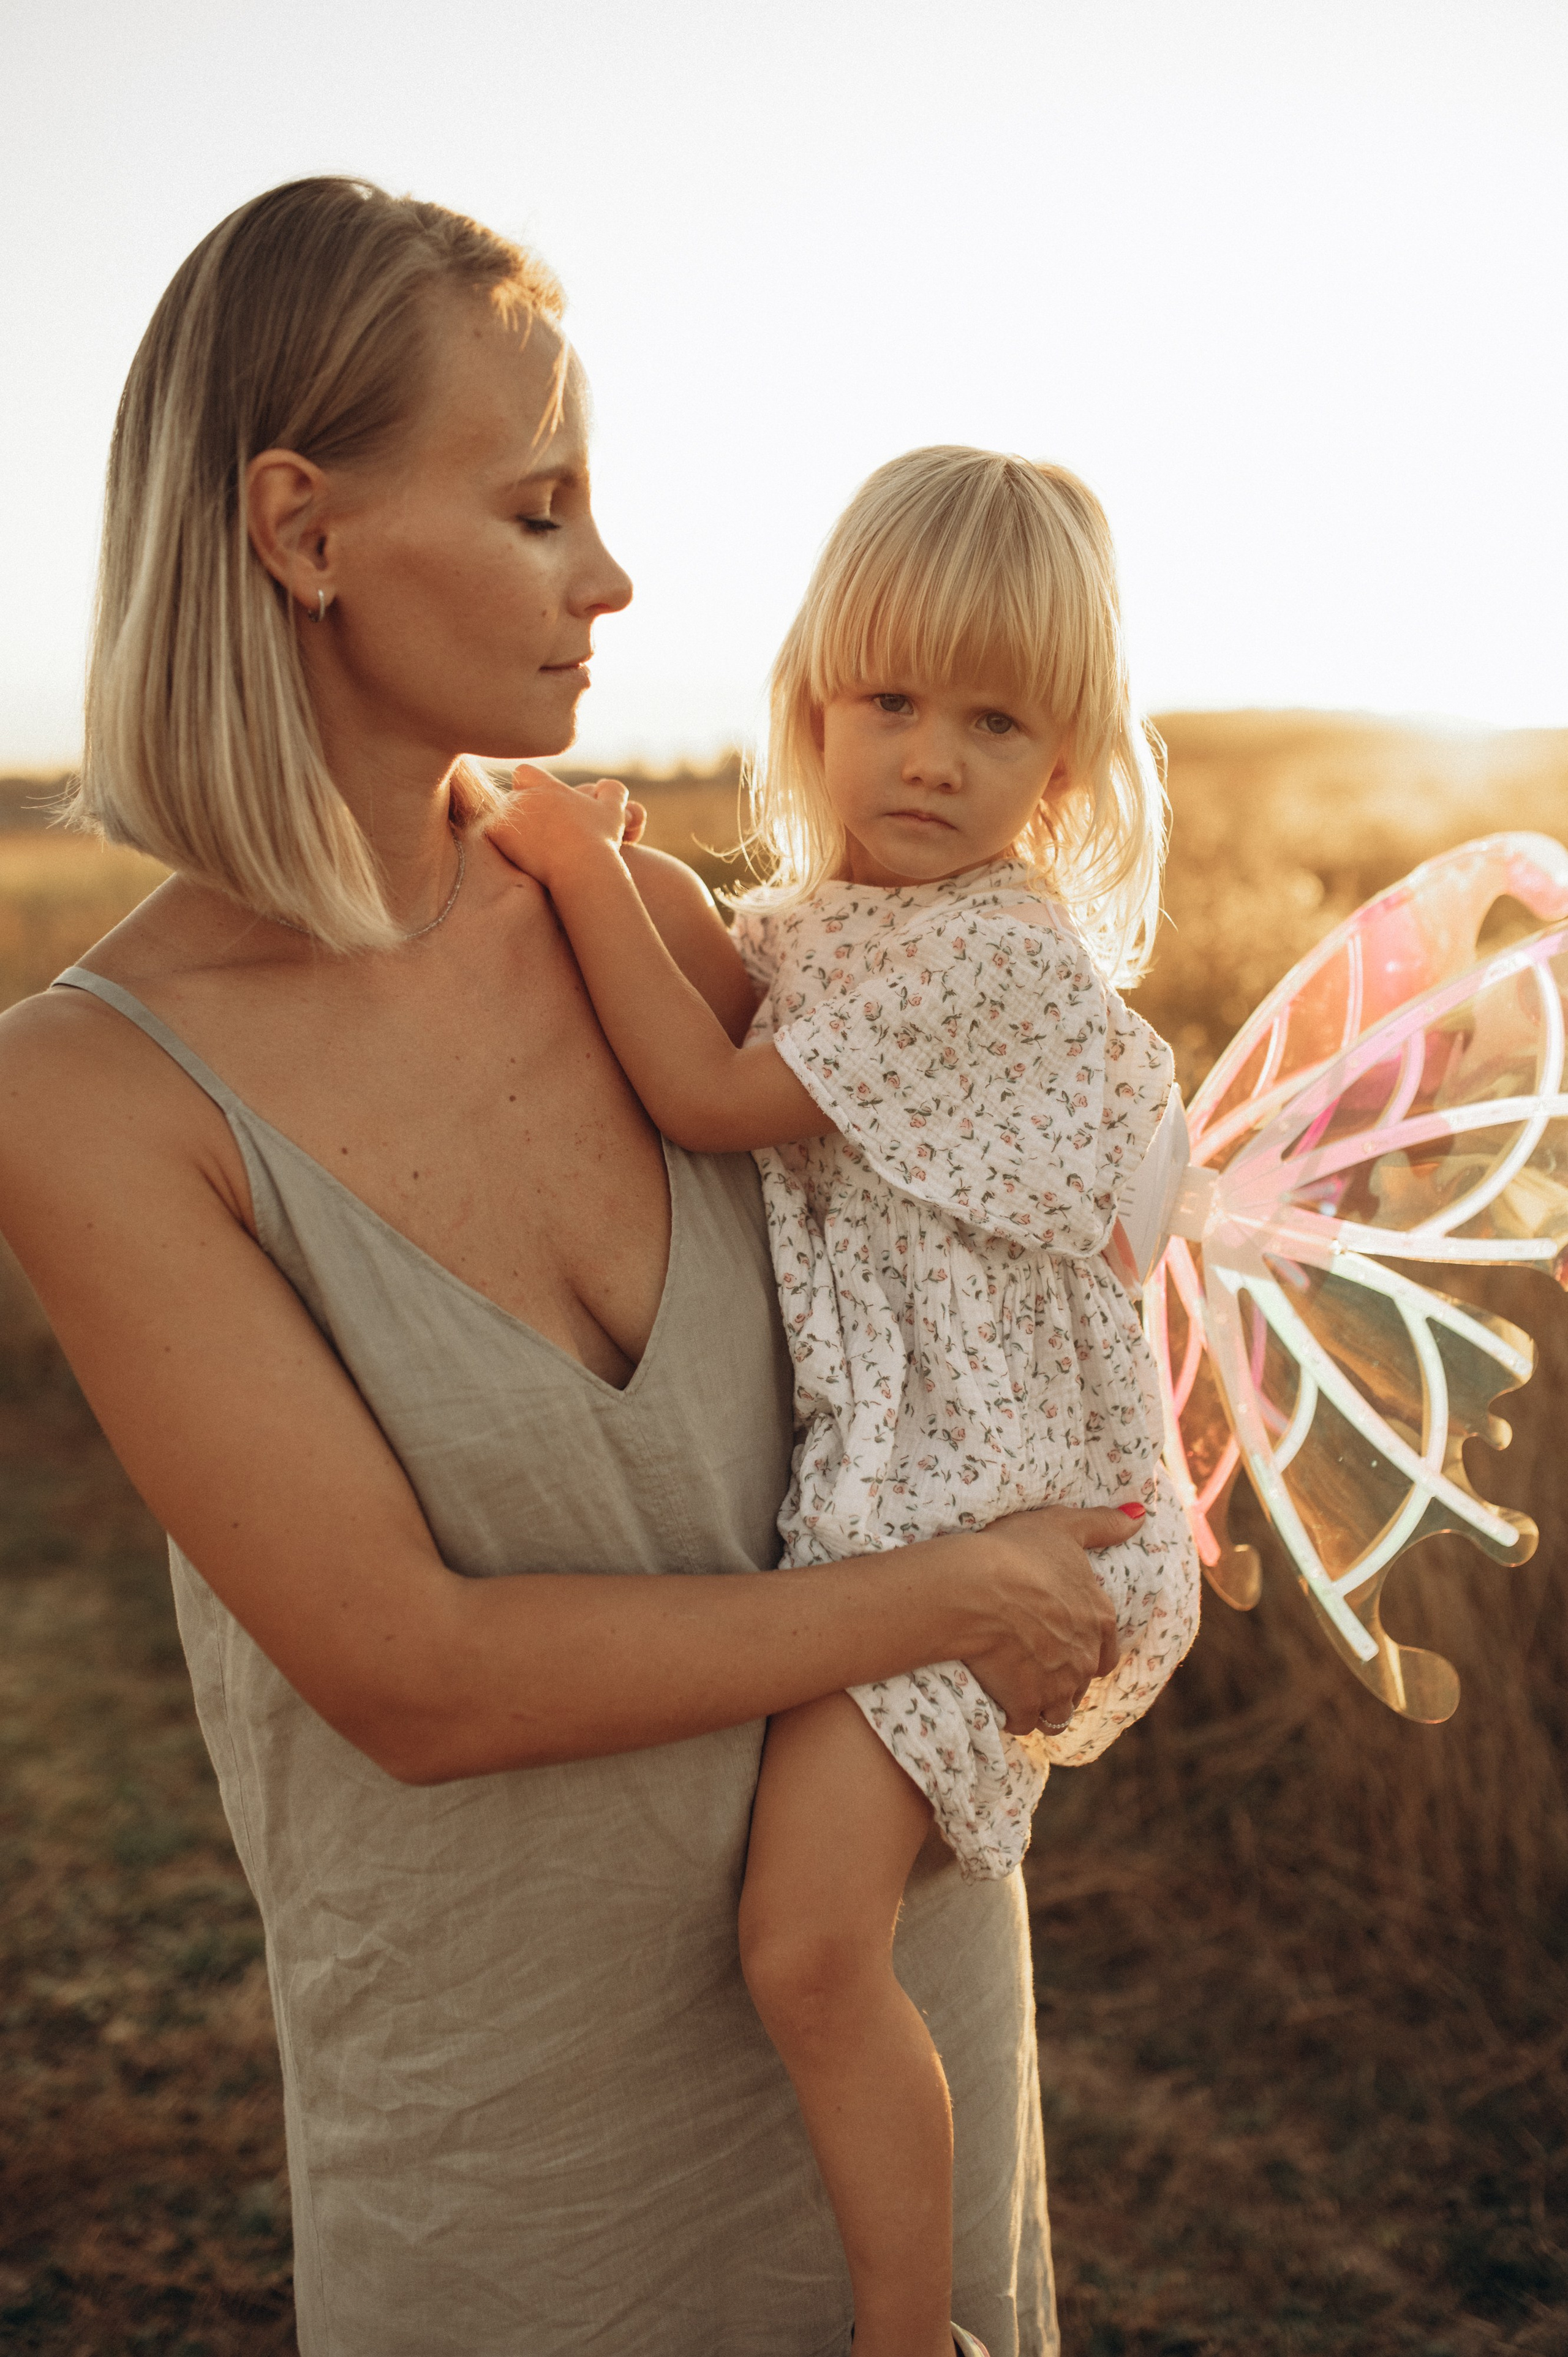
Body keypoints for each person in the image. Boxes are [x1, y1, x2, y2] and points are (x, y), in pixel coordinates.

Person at [0, 180, 1131, 2357]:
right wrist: (949, 1594)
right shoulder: (88, 1099)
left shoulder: (660, 938)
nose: (612, 578)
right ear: (300, 528)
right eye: (540, 510)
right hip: (524, 2174)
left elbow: (958, 1303)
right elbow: (420, 1680)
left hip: (889, 2043)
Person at [489, 445, 1204, 2357]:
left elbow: (716, 1091)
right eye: (889, 701)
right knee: (808, 1944)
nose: (932, 759)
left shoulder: (985, 946)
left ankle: (912, 2334)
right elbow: (747, 980)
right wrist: (641, 873)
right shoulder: (859, 921)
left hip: (989, 1517)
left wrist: (568, 860)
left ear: (1064, 765)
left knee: (807, 1950)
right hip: (921, 1499)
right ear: (813, 697)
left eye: (997, 721)